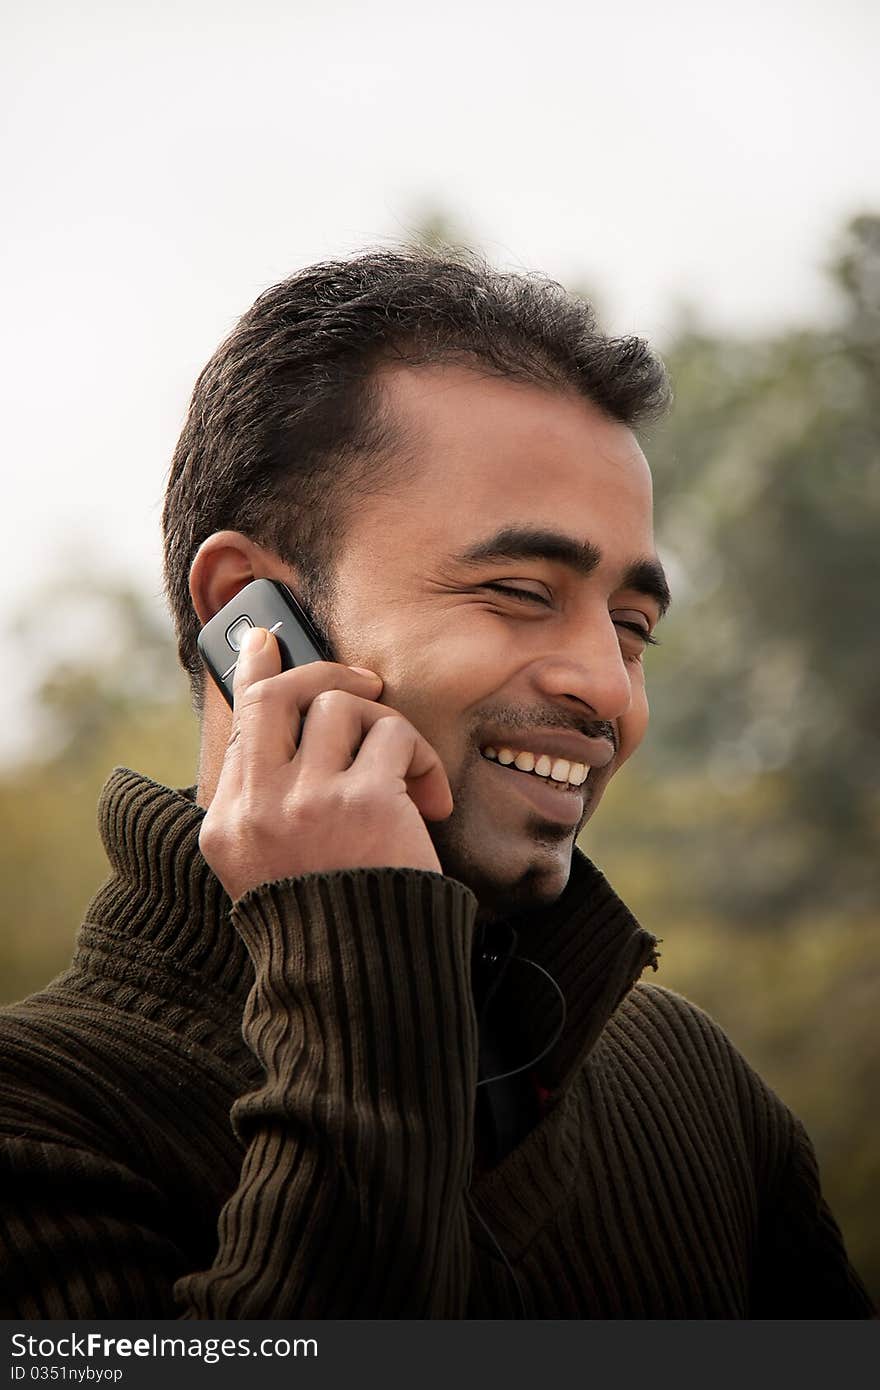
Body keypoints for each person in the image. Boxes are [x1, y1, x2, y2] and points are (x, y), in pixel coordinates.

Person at [0, 250, 874, 1319]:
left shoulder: (695, 1087)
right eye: (517, 591)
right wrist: (359, 959)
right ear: (252, 614)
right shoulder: (36, 1116)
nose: (608, 686)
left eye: (632, 627)